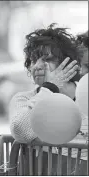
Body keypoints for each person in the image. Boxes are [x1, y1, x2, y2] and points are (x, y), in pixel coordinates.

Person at [9, 23, 87, 175]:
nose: (37, 66)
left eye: (47, 59)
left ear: (68, 62)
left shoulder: (85, 94)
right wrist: (50, 87)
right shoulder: (23, 99)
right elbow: (21, 130)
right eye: (33, 61)